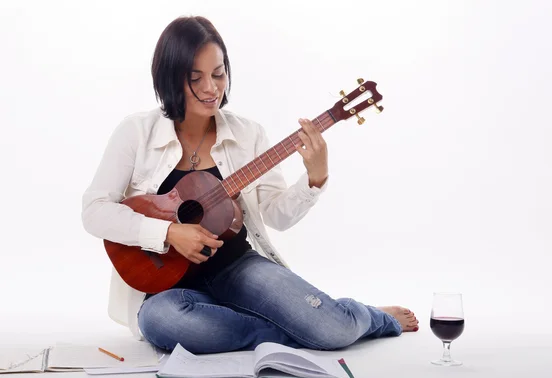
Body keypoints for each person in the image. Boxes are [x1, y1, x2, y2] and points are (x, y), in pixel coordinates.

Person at [81, 15, 419, 354]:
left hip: (236, 268)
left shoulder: (248, 134)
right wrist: (168, 233)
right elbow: (94, 211)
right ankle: (293, 327)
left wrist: (315, 178)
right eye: (195, 77)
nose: (211, 88)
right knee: (159, 321)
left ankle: (367, 318)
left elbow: (277, 216)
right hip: (168, 287)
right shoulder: (136, 132)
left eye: (218, 73)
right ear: (170, 78)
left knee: (333, 331)